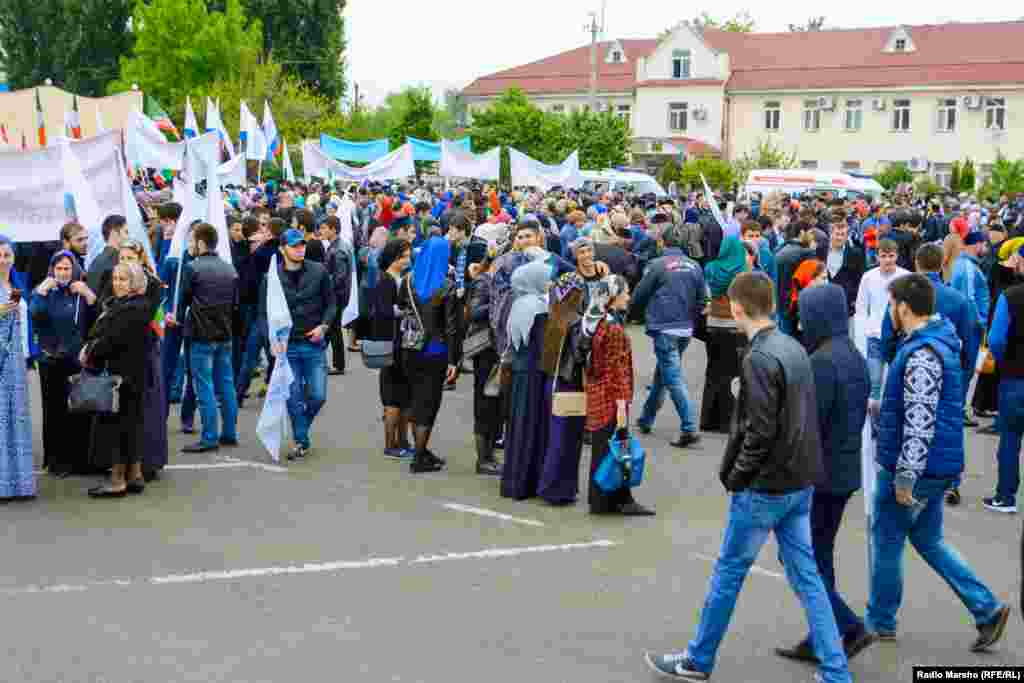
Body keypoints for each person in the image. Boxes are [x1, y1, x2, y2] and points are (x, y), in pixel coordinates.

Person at [645, 272, 851, 683]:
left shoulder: (760, 356)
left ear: (737, 309)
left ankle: (698, 660)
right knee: (807, 576)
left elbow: (759, 432)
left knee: (729, 573)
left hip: (766, 484)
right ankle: (835, 669)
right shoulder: (792, 346)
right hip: (799, 479)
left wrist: (737, 476)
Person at [868, 273, 1011, 650]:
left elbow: (919, 420)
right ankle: (986, 608)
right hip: (937, 465)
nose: (889, 313)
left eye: (891, 305)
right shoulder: (937, 342)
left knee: (886, 539)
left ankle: (880, 620)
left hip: (920, 468)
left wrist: (905, 478)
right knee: (929, 540)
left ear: (903, 307)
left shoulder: (921, 353)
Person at [775, 283, 875, 663]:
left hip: (820, 474)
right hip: (844, 470)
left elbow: (807, 423)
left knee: (799, 558)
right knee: (819, 554)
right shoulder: (851, 354)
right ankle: (823, 634)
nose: (800, 319)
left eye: (805, 312)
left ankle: (846, 627)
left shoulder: (822, 361)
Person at [259, 229, 337, 460]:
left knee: (318, 395)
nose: (300, 248)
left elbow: (331, 304)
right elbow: (262, 314)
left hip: (314, 344)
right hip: (287, 347)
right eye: (294, 246)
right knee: (293, 396)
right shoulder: (270, 277)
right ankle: (301, 440)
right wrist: (271, 341)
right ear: (282, 249)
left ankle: (299, 429)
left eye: (302, 245)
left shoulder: (319, 271)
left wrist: (324, 326)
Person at [79, 262, 155, 498]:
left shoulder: (129, 308)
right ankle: (135, 475)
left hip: (121, 376)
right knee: (132, 424)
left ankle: (117, 480)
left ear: (135, 282)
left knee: (117, 427)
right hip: (135, 373)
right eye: (115, 278)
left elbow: (110, 340)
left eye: (124, 279)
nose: (117, 283)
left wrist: (89, 350)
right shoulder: (139, 305)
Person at [583, 274, 654, 516]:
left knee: (605, 448)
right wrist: (622, 405)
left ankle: (607, 499)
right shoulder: (612, 328)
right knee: (615, 448)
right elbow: (617, 370)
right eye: (625, 292)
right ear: (612, 298)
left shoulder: (597, 319)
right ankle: (613, 500)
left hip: (598, 394)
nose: (629, 296)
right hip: (611, 398)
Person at [633, 224, 706, 448]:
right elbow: (702, 298)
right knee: (663, 375)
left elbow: (640, 294)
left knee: (672, 378)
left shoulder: (657, 265)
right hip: (684, 327)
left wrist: (634, 312)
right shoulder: (694, 266)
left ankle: (689, 427)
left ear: (661, 242)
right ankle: (646, 418)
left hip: (665, 327)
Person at [172, 223, 239, 453]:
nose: (190, 244)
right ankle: (229, 432)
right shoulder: (230, 269)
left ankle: (210, 437)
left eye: (192, 240)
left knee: (204, 387)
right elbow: (235, 305)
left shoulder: (193, 268)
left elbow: (183, 301)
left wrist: (177, 320)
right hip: (225, 333)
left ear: (201, 243)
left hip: (201, 335)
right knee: (226, 384)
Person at [395, 235, 460, 473]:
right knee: (429, 403)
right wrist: (454, 359)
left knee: (415, 399)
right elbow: (452, 326)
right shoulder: (447, 285)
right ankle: (420, 456)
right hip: (436, 351)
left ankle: (420, 450)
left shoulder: (408, 280)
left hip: (409, 348)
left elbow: (402, 308)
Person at [30, 250, 97, 477]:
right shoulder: (44, 291)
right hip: (51, 362)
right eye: (58, 268)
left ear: (74, 269)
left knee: (79, 410)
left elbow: (98, 319)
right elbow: (35, 316)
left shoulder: (80, 291)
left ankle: (79, 460)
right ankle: (56, 461)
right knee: (54, 412)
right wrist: (40, 292)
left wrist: (89, 295)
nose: (62, 273)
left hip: (77, 360)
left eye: (67, 268)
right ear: (52, 270)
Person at [501, 260, 553, 499]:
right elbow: (544, 347)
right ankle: (527, 482)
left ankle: (513, 481)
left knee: (518, 427)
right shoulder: (539, 308)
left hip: (520, 372)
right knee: (531, 427)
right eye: (545, 278)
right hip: (534, 374)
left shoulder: (519, 304)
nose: (549, 282)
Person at [985, 243, 1024, 513]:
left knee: (1010, 439)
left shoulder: (1010, 296)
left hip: (1015, 377)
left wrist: (1003, 360)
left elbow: (996, 339)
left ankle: (1005, 496)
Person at [855, 239, 909, 421]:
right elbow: (861, 309)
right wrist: (861, 337)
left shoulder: (905, 276)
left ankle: (893, 417)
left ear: (897, 256)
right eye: (884, 256)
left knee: (896, 380)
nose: (887, 260)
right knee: (875, 382)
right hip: (874, 336)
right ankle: (875, 420)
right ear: (877, 256)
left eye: (891, 256)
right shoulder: (868, 277)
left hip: (898, 336)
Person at [370, 238, 414, 459]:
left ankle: (402, 441)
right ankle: (391, 444)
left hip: (401, 344)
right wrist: (404, 311)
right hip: (391, 345)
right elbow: (383, 312)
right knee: (392, 398)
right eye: (405, 256)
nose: (408, 259)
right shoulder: (386, 280)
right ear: (395, 257)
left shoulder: (398, 278)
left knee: (404, 397)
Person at [700, 236, 748, 433]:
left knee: (713, 370)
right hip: (734, 327)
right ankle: (726, 421)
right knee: (732, 373)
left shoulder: (710, 268)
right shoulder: (742, 271)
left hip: (712, 324)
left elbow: (705, 294)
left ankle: (707, 419)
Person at [0, 235, 34, 501]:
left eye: (7, 255)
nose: (4, 260)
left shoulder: (16, 281)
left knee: (17, 418)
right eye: (0, 255)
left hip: (16, 360)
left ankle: (20, 482)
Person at [466, 244, 503, 476]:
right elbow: (473, 312)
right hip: (485, 350)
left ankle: (489, 454)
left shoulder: (494, 282)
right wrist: (500, 300)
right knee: (485, 401)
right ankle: (483, 459)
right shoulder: (483, 282)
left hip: (496, 349)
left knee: (494, 403)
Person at [950, 231, 990, 425]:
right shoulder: (967, 266)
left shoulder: (965, 265)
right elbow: (969, 299)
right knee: (965, 369)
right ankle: (957, 410)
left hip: (966, 326)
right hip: (969, 328)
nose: (987, 249)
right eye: (985, 245)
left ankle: (957, 409)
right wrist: (981, 322)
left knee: (964, 369)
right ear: (977, 244)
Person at [825, 210, 866, 318]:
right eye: (837, 234)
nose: (839, 237)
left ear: (847, 236)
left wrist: (854, 299)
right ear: (831, 234)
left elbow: (860, 277)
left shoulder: (855, 253)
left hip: (846, 303)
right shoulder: (821, 250)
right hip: (824, 301)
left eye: (843, 234)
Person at [87, 214, 129, 309]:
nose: (128, 237)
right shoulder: (110, 261)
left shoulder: (101, 259)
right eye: (126, 232)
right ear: (114, 233)